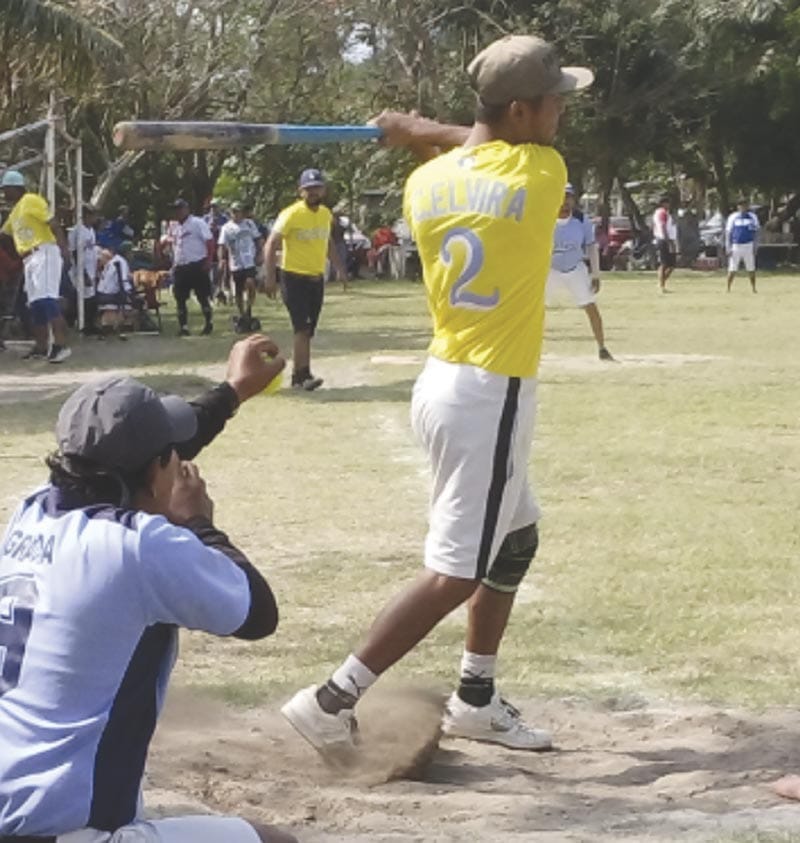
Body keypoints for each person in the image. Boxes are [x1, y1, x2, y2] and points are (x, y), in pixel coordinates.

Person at [282, 34, 593, 756]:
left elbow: (465, 150)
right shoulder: (541, 172)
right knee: (457, 570)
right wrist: (421, 128)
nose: (561, 116)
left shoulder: (426, 186)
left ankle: (475, 696)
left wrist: (418, 136)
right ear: (521, 110)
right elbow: (471, 144)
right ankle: (331, 697)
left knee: (516, 539)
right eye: (553, 103)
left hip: (445, 381)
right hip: (490, 393)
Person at [0, 335, 296, 843]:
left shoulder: (31, 510)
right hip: (63, 831)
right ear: (158, 468)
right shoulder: (140, 548)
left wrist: (232, 392)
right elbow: (256, 613)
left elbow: (143, 455)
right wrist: (200, 525)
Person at [263, 169, 347, 391]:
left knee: (308, 330)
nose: (313, 193)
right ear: (301, 192)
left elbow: (327, 241)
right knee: (302, 327)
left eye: (317, 188)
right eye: (308, 189)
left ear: (324, 190)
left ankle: (299, 375)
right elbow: (271, 243)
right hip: (293, 277)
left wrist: (339, 268)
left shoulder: (325, 214)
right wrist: (270, 276)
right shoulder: (291, 214)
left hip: (315, 278)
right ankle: (302, 375)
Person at [0, 169, 71, 363]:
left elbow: (53, 223)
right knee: (35, 305)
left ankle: (61, 345)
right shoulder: (15, 212)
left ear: (16, 188)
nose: (4, 194)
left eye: (6, 190)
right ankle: (41, 347)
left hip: (44, 252)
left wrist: (64, 249)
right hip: (29, 259)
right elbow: (4, 235)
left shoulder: (31, 200)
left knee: (47, 300)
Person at [546, 184, 613, 361]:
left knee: (590, 307)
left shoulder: (581, 220)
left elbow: (591, 246)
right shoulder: (545, 218)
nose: (565, 202)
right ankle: (529, 349)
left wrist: (596, 274)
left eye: (568, 197)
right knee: (535, 310)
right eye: (561, 197)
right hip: (550, 269)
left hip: (575, 268)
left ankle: (602, 348)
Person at [171, 198, 214, 336]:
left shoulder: (197, 223)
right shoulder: (175, 226)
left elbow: (209, 241)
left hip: (196, 264)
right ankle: (183, 326)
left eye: (180, 209)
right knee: (180, 298)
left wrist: (208, 261)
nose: (178, 212)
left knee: (202, 296)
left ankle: (208, 323)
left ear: (187, 209)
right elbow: (175, 245)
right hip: (181, 266)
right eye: (176, 209)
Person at [218, 201, 263, 328]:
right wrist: (222, 259)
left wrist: (260, 253)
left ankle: (249, 308)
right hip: (236, 262)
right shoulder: (226, 228)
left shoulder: (249, 224)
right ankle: (242, 313)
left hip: (249, 260)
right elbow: (221, 245)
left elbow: (258, 239)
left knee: (250, 283)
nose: (237, 214)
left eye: (239, 212)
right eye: (234, 212)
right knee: (238, 289)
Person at [68, 203, 99, 335]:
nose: (95, 218)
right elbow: (74, 252)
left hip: (91, 269)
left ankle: (89, 324)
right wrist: (83, 273)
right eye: (93, 215)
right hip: (80, 271)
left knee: (90, 297)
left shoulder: (91, 231)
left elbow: (92, 252)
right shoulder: (77, 231)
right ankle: (80, 323)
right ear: (86, 216)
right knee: (82, 299)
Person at [96, 242, 134, 339]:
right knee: (124, 308)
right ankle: (115, 330)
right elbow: (123, 281)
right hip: (110, 293)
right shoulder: (120, 262)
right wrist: (128, 294)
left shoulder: (114, 261)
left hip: (104, 292)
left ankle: (111, 329)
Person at [725, 198, 760, 292]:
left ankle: (753, 288)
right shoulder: (733, 217)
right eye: (741, 205)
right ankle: (728, 288)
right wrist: (728, 246)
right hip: (736, 245)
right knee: (732, 268)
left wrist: (756, 245)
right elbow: (728, 233)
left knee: (751, 268)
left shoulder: (752, 217)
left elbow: (756, 232)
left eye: (745, 205)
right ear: (738, 207)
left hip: (748, 245)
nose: (743, 207)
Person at [204, 199, 229, 304]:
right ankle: (210, 294)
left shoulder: (224, 219)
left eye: (215, 206)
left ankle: (220, 292)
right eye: (212, 207)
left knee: (220, 272)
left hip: (220, 248)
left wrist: (218, 228)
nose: (213, 209)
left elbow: (227, 231)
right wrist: (209, 227)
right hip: (208, 249)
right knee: (209, 273)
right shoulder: (205, 219)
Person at [652, 195, 677, 294]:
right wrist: (667, 239)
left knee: (671, 265)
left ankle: (661, 282)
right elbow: (662, 226)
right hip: (664, 240)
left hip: (665, 239)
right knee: (664, 263)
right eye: (667, 203)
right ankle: (661, 285)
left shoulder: (662, 213)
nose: (669, 205)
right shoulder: (662, 212)